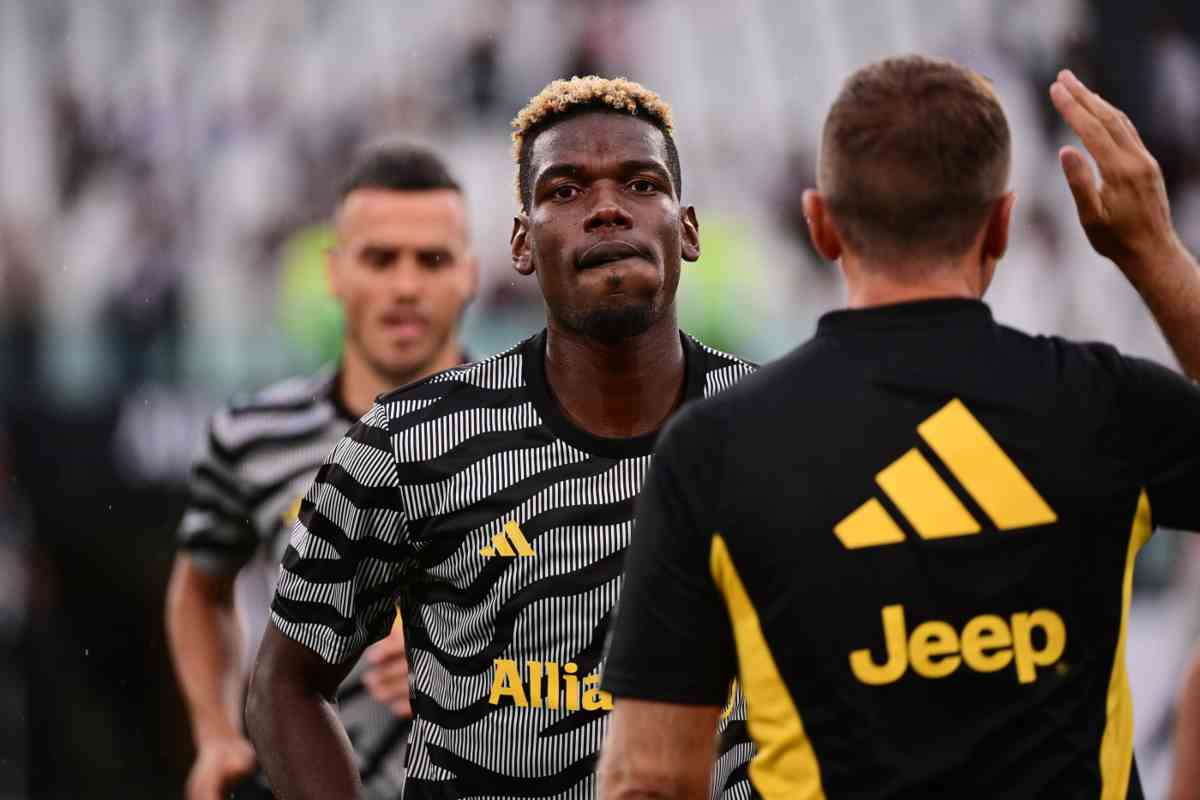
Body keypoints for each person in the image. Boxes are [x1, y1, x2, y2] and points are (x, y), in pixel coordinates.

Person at [598, 56, 1200, 799]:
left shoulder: (711, 450)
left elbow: (649, 779)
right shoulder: (1108, 406)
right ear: (1002, 226)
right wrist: (1154, 255)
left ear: (819, 224)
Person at [245, 76, 757, 799]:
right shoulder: (407, 443)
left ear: (689, 228)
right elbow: (283, 685)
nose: (608, 208)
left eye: (641, 184)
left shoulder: (783, 432)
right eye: (566, 191)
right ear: (521, 243)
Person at [166, 144, 478, 800]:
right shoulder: (253, 437)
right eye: (379, 258)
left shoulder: (533, 432)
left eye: (432, 259)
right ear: (335, 271)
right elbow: (200, 588)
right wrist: (216, 734)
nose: (405, 285)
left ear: (471, 274)